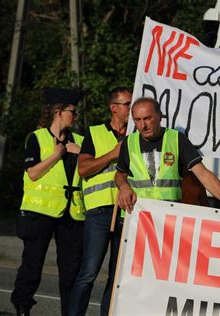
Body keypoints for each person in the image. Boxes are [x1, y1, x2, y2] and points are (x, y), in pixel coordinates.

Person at [11, 88, 85, 316]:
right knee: (32, 266)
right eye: (73, 111)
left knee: (71, 271)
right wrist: (56, 155)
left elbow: (92, 167)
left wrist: (79, 153)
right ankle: (22, 306)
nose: (76, 116)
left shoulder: (81, 141)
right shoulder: (37, 137)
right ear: (59, 112)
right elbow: (32, 173)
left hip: (71, 213)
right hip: (39, 212)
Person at [115, 97, 220, 220]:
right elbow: (120, 176)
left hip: (169, 217)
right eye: (138, 120)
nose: (143, 125)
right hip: (138, 217)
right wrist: (124, 187)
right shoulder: (129, 142)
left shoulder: (177, 139)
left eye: (148, 118)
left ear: (159, 116)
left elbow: (203, 174)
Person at [68, 87, 132, 316]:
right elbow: (83, 169)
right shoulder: (94, 133)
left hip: (127, 212)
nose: (130, 110)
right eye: (127, 104)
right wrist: (112, 154)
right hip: (99, 213)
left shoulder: (135, 136)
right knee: (89, 272)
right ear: (113, 107)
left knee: (116, 277)